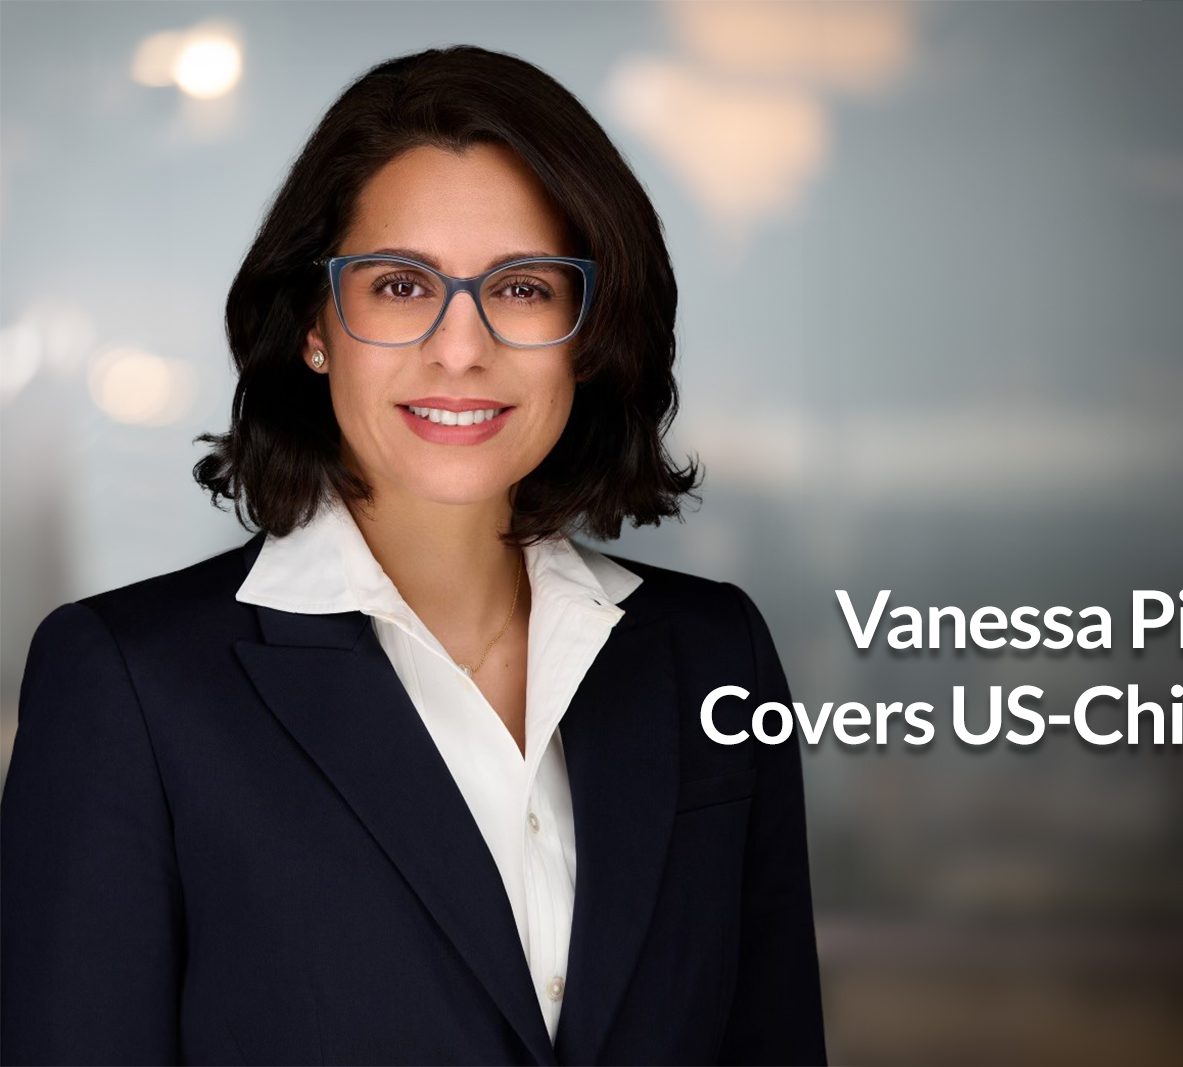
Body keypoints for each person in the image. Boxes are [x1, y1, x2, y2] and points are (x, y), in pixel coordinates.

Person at [0, 44, 825, 1066]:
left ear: (587, 328)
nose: (460, 346)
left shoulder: (712, 655)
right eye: (399, 285)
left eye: (521, 288)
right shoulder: (130, 686)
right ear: (315, 325)